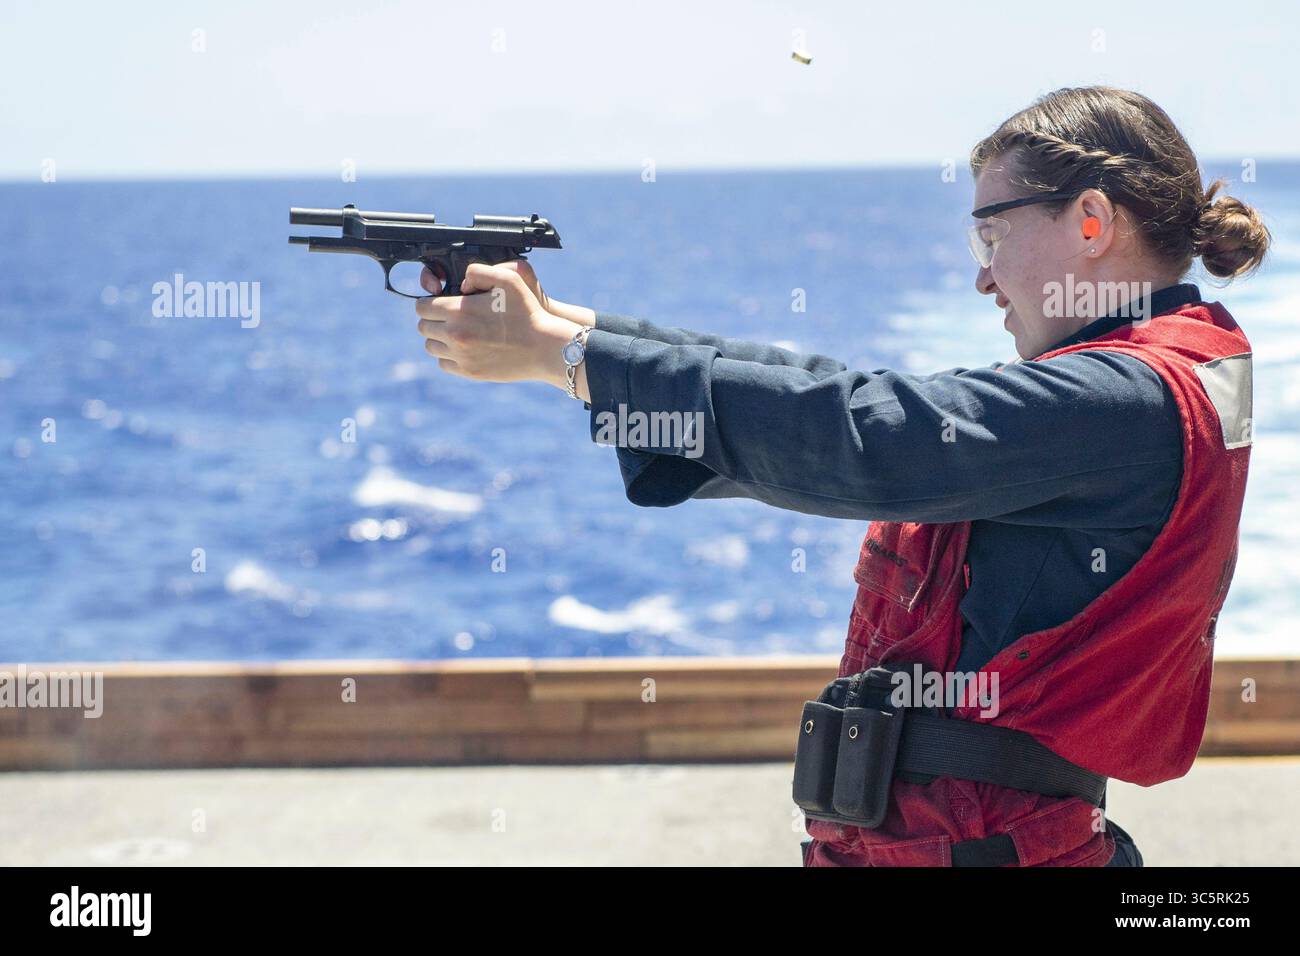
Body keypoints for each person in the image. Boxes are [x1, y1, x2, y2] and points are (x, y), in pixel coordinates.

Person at [412, 86, 1268, 866]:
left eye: (992, 233)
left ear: (1091, 221)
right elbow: (834, 405)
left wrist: (566, 360)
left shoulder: (1124, 396)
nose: (981, 275)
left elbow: (866, 438)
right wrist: (576, 329)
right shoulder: (1157, 376)